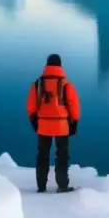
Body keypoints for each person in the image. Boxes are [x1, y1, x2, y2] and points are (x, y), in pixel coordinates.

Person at [26, 53, 81, 193]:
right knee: (61, 156)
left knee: (42, 155)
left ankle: (41, 186)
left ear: (47, 65)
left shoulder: (38, 84)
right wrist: (74, 122)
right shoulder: (65, 84)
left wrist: (34, 120)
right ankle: (62, 186)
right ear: (60, 66)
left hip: (43, 125)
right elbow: (73, 105)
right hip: (62, 127)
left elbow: (31, 105)